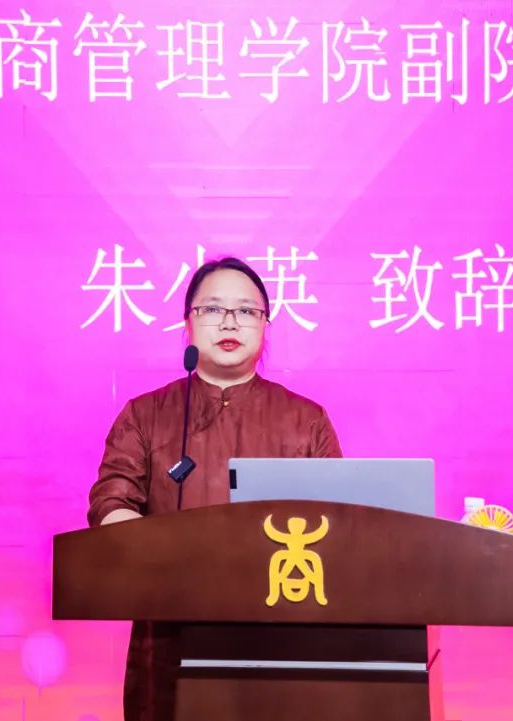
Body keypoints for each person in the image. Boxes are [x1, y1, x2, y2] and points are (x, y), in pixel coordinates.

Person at [87, 256, 342, 721]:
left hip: (282, 638)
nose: (229, 322)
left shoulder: (306, 420)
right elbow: (112, 500)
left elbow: (340, 523)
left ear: (265, 325)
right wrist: (155, 552)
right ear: (187, 323)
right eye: (212, 309)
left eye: (246, 310)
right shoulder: (145, 415)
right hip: (170, 635)